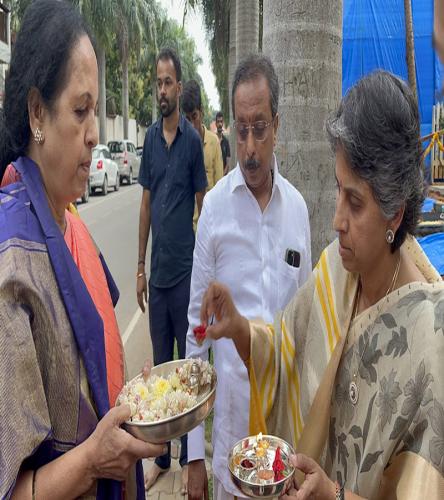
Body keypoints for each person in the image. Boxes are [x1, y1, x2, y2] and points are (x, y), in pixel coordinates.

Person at [201, 71, 444, 499]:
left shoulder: (430, 341)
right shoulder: (336, 270)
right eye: (338, 190)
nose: (337, 221)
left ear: (394, 212)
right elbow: (283, 351)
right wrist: (239, 327)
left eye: (355, 202)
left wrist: (331, 495)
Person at [0, 2, 165, 499]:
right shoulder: (12, 261)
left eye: (95, 110)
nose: (95, 133)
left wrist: (137, 404)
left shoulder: (67, 224)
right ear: (36, 113)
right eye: (80, 110)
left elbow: (93, 374)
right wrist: (94, 460)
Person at [187, 54, 312, 500]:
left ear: (276, 125)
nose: (250, 147)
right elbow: (195, 337)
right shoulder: (216, 210)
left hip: (285, 446)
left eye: (260, 129)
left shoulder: (297, 211)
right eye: (241, 130)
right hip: (231, 448)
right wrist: (193, 457)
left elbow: (306, 327)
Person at [137, 48, 207, 493]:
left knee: (186, 367)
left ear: (179, 87)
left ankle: (186, 458)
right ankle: (162, 457)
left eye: (167, 82)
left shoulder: (194, 142)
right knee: (162, 372)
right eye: (157, 82)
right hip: (158, 279)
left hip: (185, 275)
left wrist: (208, 266)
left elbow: (204, 203)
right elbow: (145, 203)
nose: (161, 90)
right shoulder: (147, 140)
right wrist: (139, 268)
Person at [181, 79, 224, 230]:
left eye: (194, 116)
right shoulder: (179, 145)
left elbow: (220, 189)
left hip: (207, 228)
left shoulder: (214, 143)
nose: (191, 125)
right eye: (187, 119)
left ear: (202, 112)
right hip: (185, 231)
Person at [215, 110, 231, 175]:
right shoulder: (212, 141)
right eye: (218, 122)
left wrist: (222, 176)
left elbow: (228, 164)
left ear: (223, 123)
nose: (220, 124)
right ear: (215, 124)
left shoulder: (226, 142)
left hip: (224, 177)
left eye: (221, 122)